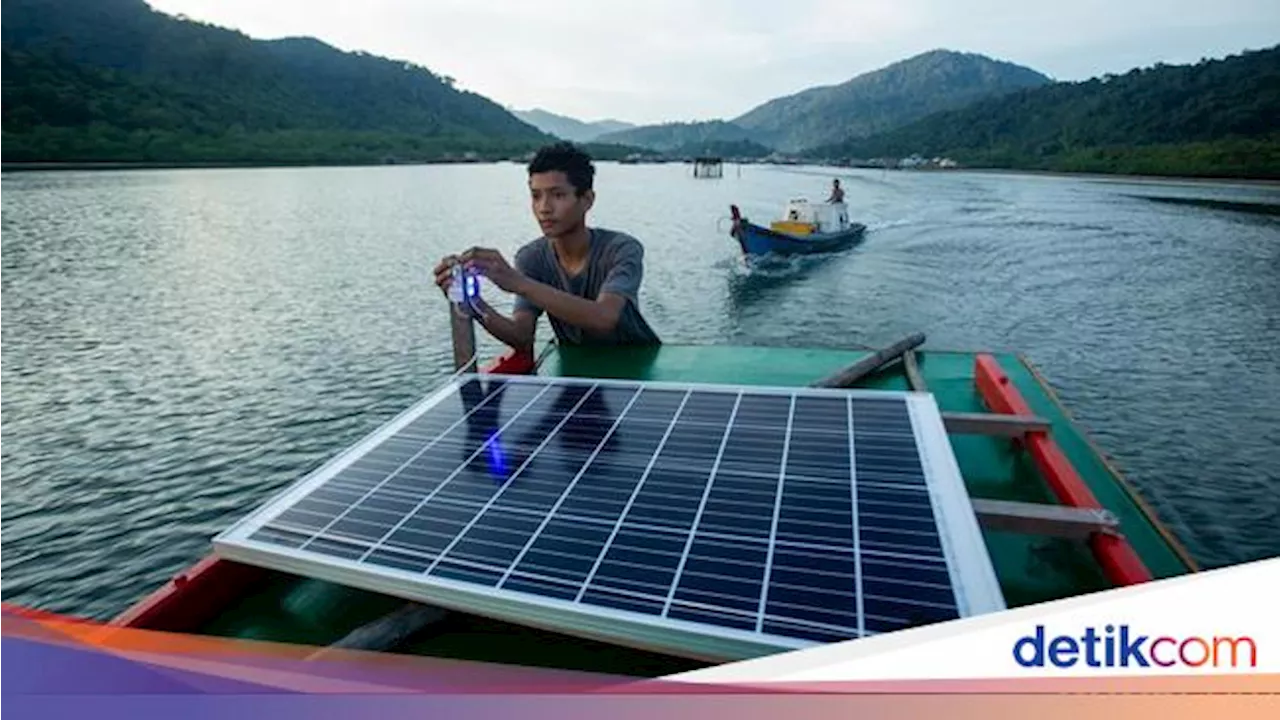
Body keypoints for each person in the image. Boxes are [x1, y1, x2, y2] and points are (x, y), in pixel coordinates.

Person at [433, 142, 661, 354]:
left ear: (587, 200)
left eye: (558, 195)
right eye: (536, 196)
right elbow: (521, 336)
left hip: (637, 361)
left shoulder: (621, 249)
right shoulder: (532, 257)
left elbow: (605, 318)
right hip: (576, 366)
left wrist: (517, 283)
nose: (544, 208)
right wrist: (472, 303)